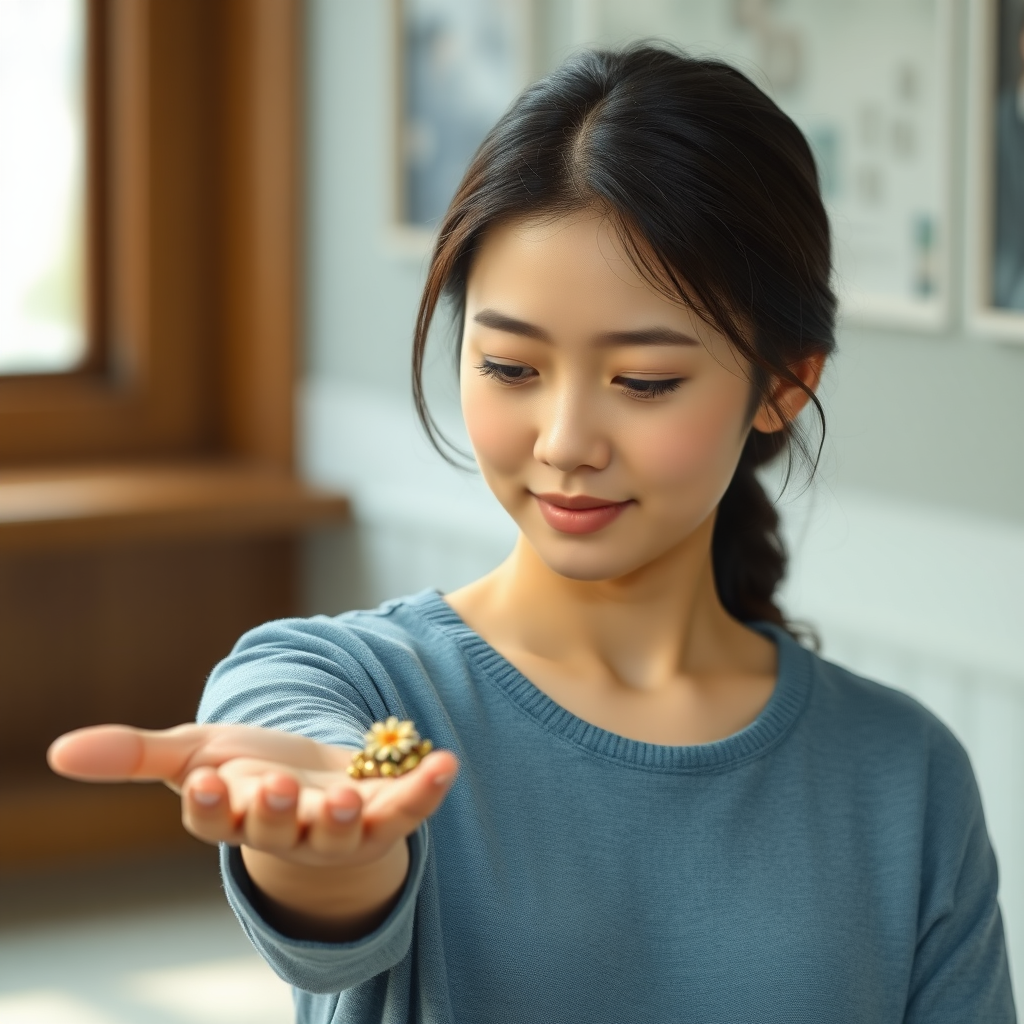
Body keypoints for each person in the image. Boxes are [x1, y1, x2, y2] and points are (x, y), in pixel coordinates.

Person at [48, 45, 1016, 1023]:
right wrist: (331, 848)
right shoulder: (352, 685)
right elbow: (311, 774)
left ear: (781, 384)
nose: (564, 443)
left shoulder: (904, 774)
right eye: (511, 366)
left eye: (643, 382)